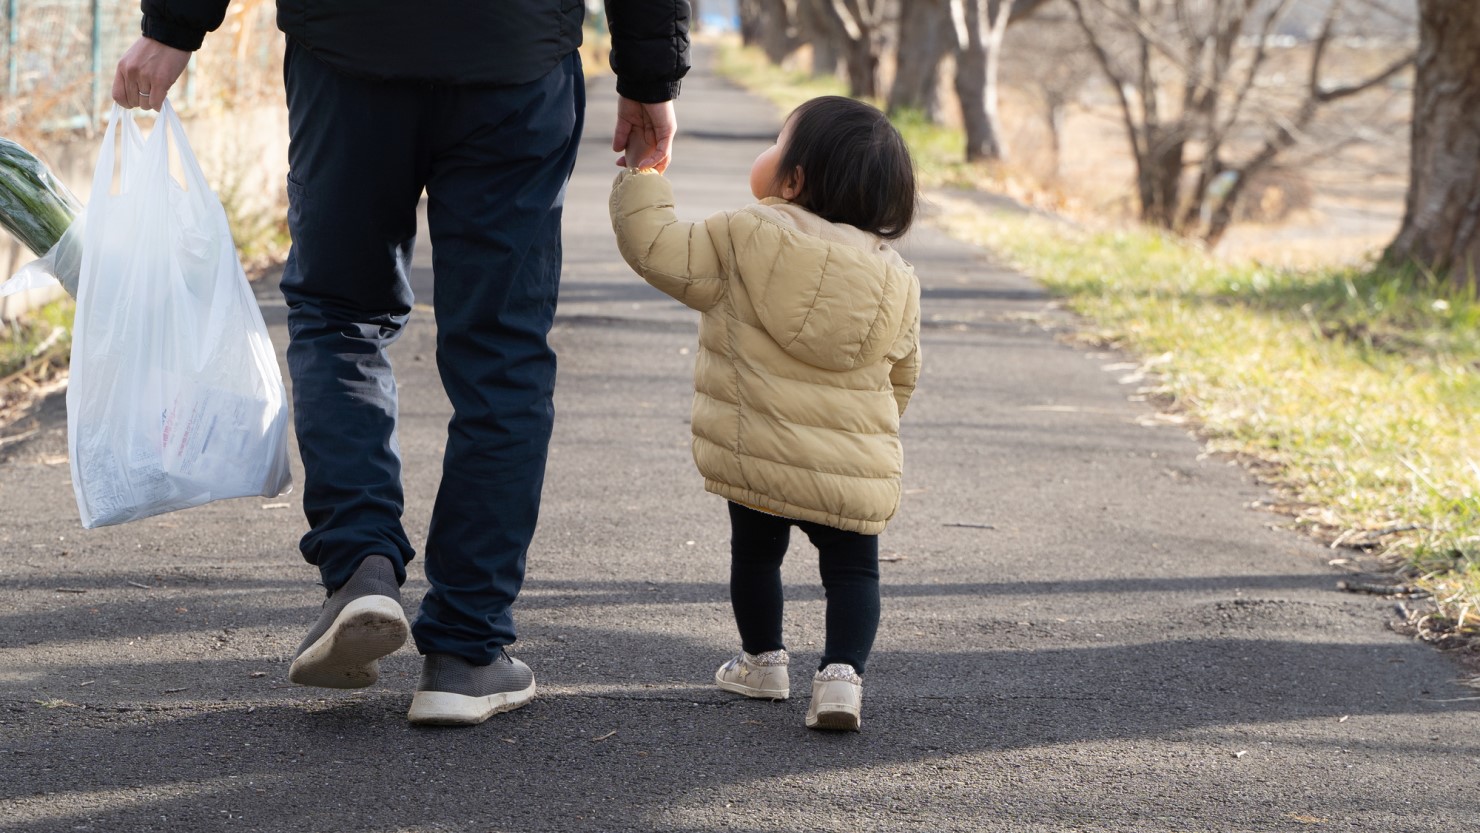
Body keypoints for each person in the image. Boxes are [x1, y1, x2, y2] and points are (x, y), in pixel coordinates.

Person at [112, 0, 691, 726]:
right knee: (502, 351)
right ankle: (467, 652)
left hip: (350, 47)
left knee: (340, 313)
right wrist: (651, 72)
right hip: (513, 54)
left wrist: (173, 26)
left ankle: (360, 564)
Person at [608, 96, 922, 731]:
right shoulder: (898, 279)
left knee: (755, 557)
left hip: (760, 455)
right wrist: (869, 432)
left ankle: (763, 662)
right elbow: (903, 374)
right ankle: (841, 679)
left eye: (778, 143)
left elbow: (657, 249)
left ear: (794, 179)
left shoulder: (746, 234)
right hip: (853, 462)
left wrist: (644, 176)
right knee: (854, 571)